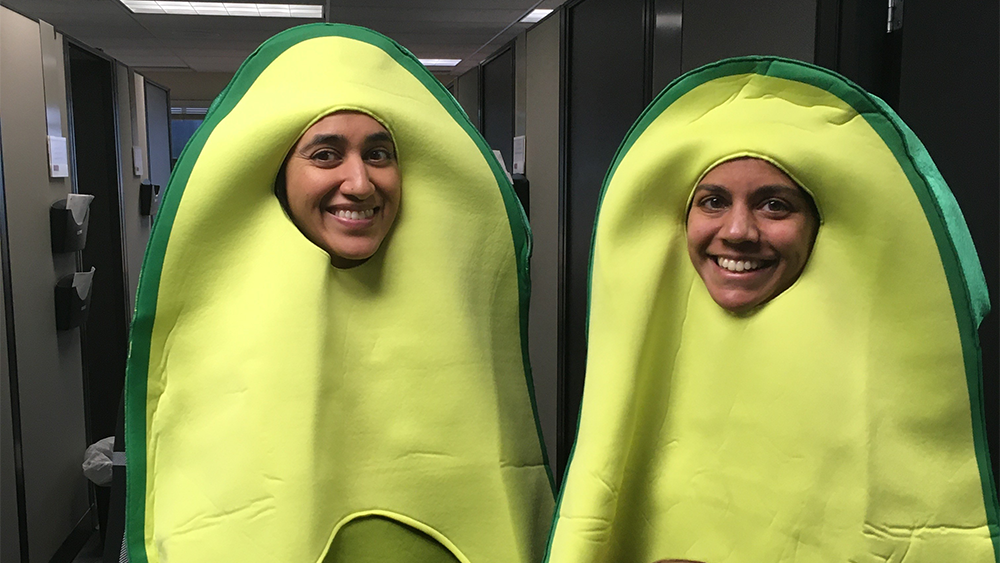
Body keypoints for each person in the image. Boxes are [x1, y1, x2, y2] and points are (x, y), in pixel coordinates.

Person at [123, 23, 554, 563]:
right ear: (278, 173)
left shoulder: (457, 319)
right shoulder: (218, 333)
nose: (360, 182)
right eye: (325, 155)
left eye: (379, 154)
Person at [545, 57, 994, 563]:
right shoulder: (645, 358)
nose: (737, 231)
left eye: (774, 205)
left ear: (819, 223)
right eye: (712, 201)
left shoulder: (881, 381)